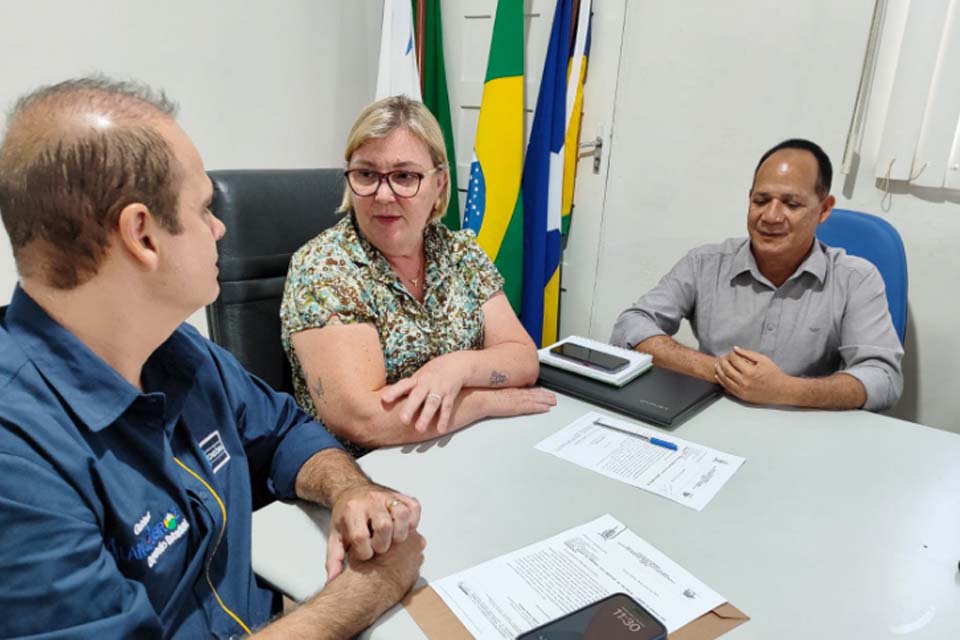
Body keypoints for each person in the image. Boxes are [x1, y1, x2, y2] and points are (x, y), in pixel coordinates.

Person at [0, 77, 425, 639]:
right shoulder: (19, 459)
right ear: (143, 236)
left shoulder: (171, 348)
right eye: (203, 208)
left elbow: (283, 433)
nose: (220, 228)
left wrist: (352, 491)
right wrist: (366, 591)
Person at [281, 95, 555, 456]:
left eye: (405, 176)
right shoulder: (324, 267)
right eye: (366, 174)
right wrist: (484, 402)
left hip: (461, 449)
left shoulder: (459, 251)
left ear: (439, 183)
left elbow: (522, 358)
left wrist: (455, 368)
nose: (383, 194)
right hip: (365, 475)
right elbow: (363, 421)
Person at [611, 139, 903, 411]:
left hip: (803, 426)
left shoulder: (856, 279)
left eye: (791, 204)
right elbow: (631, 326)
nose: (771, 216)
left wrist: (787, 390)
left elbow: (883, 378)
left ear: (824, 209)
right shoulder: (705, 263)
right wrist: (719, 371)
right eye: (761, 200)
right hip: (711, 417)